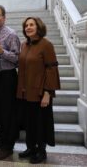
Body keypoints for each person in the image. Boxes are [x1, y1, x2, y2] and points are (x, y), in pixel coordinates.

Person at [17, 17, 60, 164]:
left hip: (40, 93)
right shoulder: (24, 45)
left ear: (38, 27)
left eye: (31, 25)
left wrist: (48, 93)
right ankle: (31, 148)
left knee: (40, 123)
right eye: (26, 25)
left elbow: (51, 70)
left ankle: (41, 151)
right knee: (29, 123)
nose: (28, 27)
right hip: (25, 92)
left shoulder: (46, 45)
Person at [0, 5, 21, 160]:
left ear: (4, 17)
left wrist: (2, 52)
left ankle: (8, 145)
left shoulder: (11, 34)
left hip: (7, 76)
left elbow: (17, 59)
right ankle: (2, 139)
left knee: (8, 112)